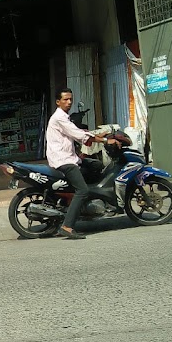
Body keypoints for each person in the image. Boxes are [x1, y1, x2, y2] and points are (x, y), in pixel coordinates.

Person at [46, 88, 119, 239]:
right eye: (65, 99)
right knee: (82, 190)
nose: (69, 102)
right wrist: (105, 140)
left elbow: (78, 132)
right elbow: (79, 134)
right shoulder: (59, 117)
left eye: (70, 99)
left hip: (70, 157)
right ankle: (67, 226)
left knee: (96, 166)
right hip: (63, 160)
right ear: (57, 102)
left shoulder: (65, 117)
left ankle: (91, 203)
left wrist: (97, 135)